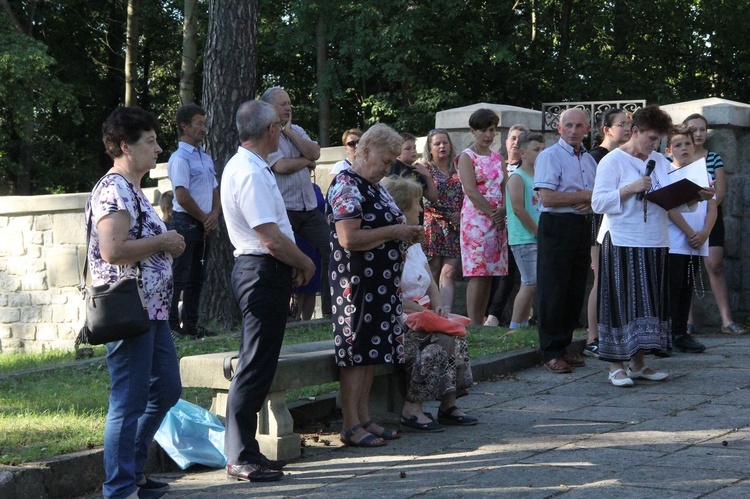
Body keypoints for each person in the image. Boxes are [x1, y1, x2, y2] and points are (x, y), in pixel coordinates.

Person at [90, 107, 184, 499]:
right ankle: (120, 488)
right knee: (127, 402)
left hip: (152, 310)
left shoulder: (132, 190)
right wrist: (164, 242)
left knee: (166, 389)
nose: (158, 148)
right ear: (125, 146)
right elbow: (113, 251)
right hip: (130, 311)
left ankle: (133, 472)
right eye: (150, 142)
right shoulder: (113, 190)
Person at [221, 100, 316, 483]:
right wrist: (305, 263)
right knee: (254, 365)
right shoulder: (251, 173)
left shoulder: (249, 167)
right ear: (271, 130)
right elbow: (271, 237)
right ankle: (238, 455)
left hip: (265, 270)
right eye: (279, 124)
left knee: (259, 365)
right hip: (260, 270)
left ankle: (248, 452)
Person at [592, 105, 714, 387]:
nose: (655, 145)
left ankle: (639, 363)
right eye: (651, 138)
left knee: (649, 302)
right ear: (635, 132)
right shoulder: (612, 161)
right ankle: (615, 366)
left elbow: (670, 201)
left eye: (658, 139)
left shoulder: (659, 160)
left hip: (656, 239)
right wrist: (629, 189)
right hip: (622, 238)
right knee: (622, 301)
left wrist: (697, 196)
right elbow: (598, 203)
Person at [327, 123, 424, 447]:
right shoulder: (345, 185)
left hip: (379, 285)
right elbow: (348, 237)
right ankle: (350, 424)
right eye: (385, 160)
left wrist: (406, 234)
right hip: (356, 286)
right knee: (356, 355)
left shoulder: (375, 186)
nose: (387, 167)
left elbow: (389, 223)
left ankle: (365, 418)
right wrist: (395, 233)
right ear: (365, 151)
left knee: (370, 353)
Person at [380, 175, 476, 433]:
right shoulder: (386, 249)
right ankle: (412, 408)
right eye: (416, 204)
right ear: (401, 208)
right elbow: (390, 296)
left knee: (456, 338)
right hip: (396, 320)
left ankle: (449, 405)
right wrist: (424, 312)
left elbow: (430, 282)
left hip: (421, 313)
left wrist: (438, 307)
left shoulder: (413, 244)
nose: (422, 210)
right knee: (439, 343)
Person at [533, 108, 595, 374]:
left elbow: (596, 196)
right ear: (559, 128)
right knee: (553, 288)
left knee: (574, 288)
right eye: (568, 125)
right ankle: (550, 351)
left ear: (587, 130)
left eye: (578, 126)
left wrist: (588, 199)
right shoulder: (550, 156)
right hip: (556, 226)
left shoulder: (590, 160)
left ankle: (564, 345)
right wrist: (583, 196)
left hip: (581, 225)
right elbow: (547, 198)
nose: (573, 130)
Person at [261, 86, 331, 317]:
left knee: (332, 248)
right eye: (283, 104)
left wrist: (290, 134)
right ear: (269, 107)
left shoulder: (297, 130)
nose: (288, 108)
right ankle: (286, 315)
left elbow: (316, 153)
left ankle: (332, 311)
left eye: (289, 103)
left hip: (309, 209)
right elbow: (281, 166)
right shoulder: (265, 134)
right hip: (285, 211)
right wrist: (306, 161)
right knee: (284, 259)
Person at [682, 114, 746, 336]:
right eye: (694, 129)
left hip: (711, 217)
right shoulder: (679, 158)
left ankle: (727, 320)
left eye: (702, 130)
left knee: (715, 264)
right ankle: (686, 321)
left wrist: (706, 209)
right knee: (686, 268)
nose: (698, 134)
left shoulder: (714, 158)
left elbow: (720, 193)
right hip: (685, 218)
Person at [166, 103, 219, 339]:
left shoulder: (205, 158)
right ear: (184, 126)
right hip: (186, 223)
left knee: (198, 275)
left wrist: (214, 215)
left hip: (203, 224)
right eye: (199, 123)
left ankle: (191, 323)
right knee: (180, 275)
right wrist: (204, 218)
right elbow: (182, 195)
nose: (204, 128)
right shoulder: (179, 159)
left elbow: (215, 189)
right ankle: (171, 325)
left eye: (205, 123)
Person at [584, 108, 632, 357]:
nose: (627, 128)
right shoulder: (596, 156)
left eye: (629, 124)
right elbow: (591, 194)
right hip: (599, 225)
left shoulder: (626, 155)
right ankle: (593, 337)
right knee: (600, 280)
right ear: (607, 129)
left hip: (621, 225)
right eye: (622, 124)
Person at [666, 126, 716, 353]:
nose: (684, 148)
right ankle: (666, 333)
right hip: (676, 241)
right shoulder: (666, 173)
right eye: (677, 145)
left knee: (688, 286)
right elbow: (670, 208)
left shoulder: (703, 173)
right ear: (668, 150)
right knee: (672, 287)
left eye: (687, 144)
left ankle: (680, 332)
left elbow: (712, 208)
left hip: (698, 241)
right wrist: (689, 233)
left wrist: (705, 232)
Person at [456, 108, 508, 325]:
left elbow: (504, 186)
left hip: (497, 220)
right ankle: (472, 322)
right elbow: (471, 190)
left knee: (490, 272)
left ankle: (483, 320)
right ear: (473, 131)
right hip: (476, 221)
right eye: (483, 130)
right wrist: (492, 213)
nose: (488, 135)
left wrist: (503, 209)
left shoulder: (498, 157)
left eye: (492, 130)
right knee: (477, 273)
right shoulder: (467, 157)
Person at [485, 124, 529, 327]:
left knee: (512, 271)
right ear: (506, 141)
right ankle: (487, 314)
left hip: (517, 226)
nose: (515, 142)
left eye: (520, 138)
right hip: (492, 224)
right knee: (493, 271)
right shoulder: (496, 164)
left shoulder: (528, 169)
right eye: (512, 138)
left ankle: (498, 316)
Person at [506, 132, 544, 332]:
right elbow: (518, 209)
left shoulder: (539, 176)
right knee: (530, 282)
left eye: (542, 149)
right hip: (524, 238)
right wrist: (538, 231)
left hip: (537, 236)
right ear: (523, 153)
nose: (541, 153)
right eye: (536, 150)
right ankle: (514, 325)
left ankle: (523, 323)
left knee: (533, 282)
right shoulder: (517, 178)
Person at [422, 128, 463, 313]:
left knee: (450, 272)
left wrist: (460, 215)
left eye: (444, 142)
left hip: (456, 226)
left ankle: (446, 311)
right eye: (437, 143)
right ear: (430, 148)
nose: (441, 146)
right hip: (434, 225)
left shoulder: (459, 167)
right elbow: (425, 198)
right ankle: (431, 309)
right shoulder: (424, 169)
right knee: (434, 269)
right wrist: (450, 215)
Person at [389, 132, 439, 212]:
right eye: (408, 148)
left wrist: (428, 176)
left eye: (414, 148)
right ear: (397, 152)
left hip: (416, 215)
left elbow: (433, 197)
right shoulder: (395, 166)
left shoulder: (417, 170)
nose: (413, 151)